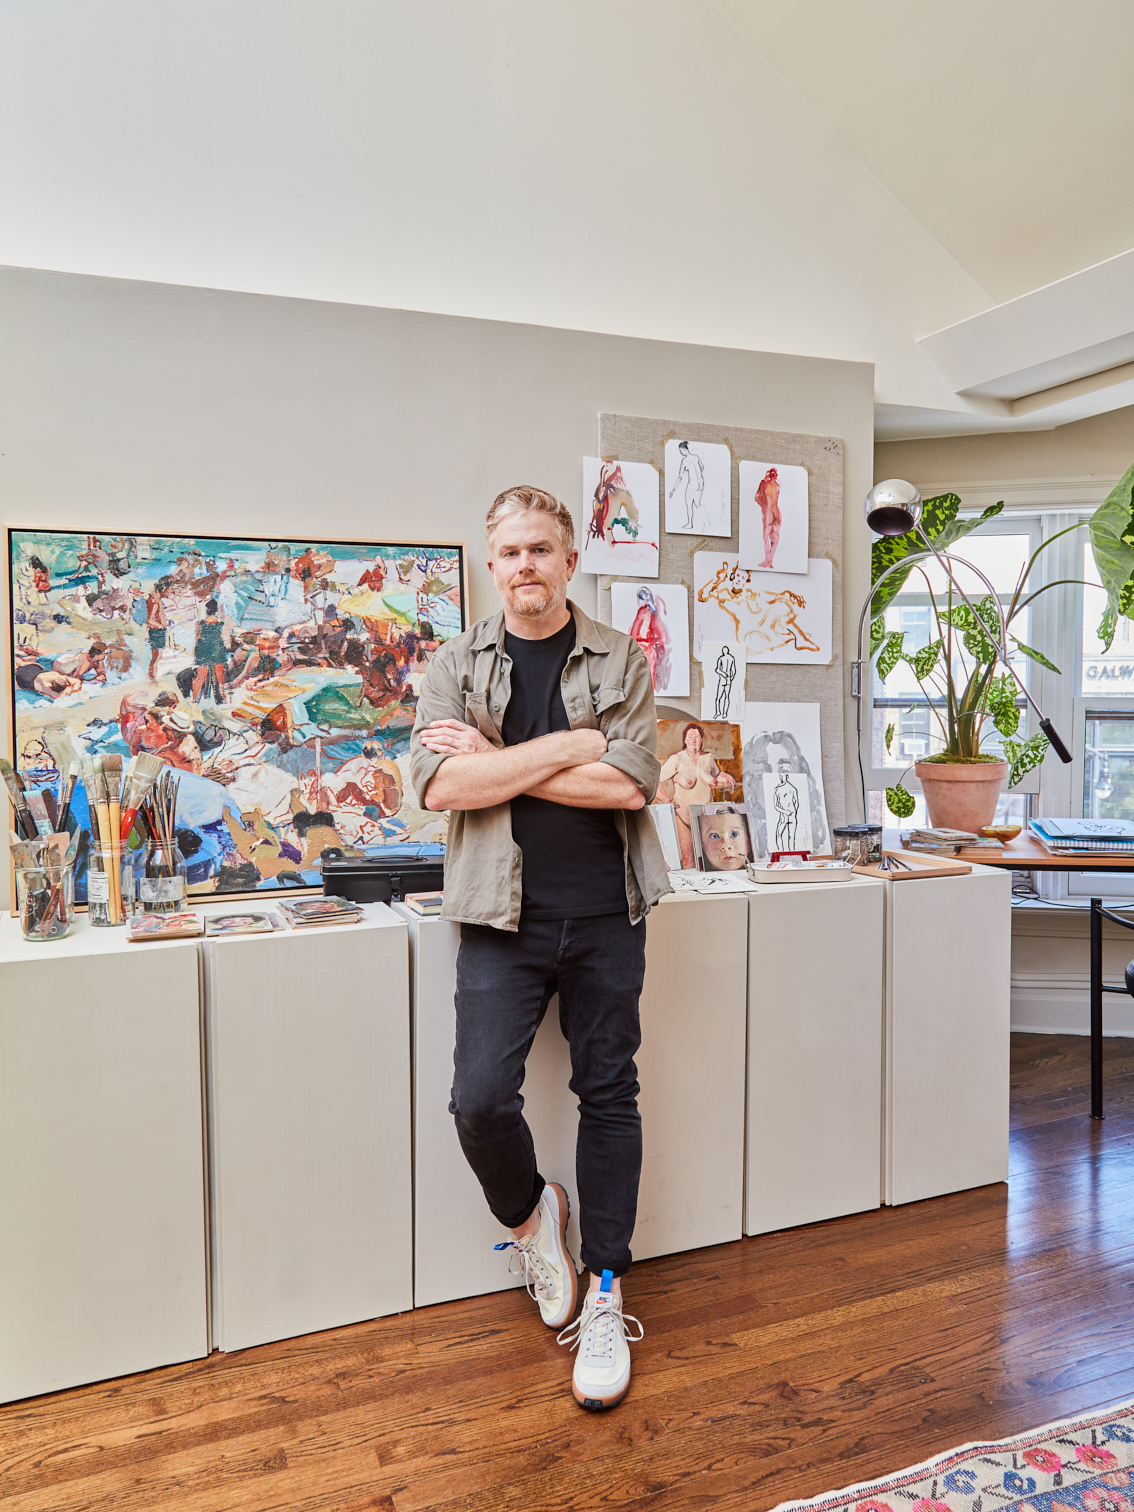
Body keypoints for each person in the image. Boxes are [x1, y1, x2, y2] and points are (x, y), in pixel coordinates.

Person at [409, 485, 669, 1412]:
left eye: (541, 550)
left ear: (569, 560)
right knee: (476, 1100)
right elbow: (440, 791)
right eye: (510, 551)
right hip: (497, 918)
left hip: (607, 912)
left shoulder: (620, 656)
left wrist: (498, 756)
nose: (525, 565)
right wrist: (570, 745)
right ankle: (530, 1216)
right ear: (494, 562)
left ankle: (604, 1289)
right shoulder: (454, 663)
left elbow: (629, 788)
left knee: (609, 1095)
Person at [657, 722, 736, 868]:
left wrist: (726, 776)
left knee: (709, 861)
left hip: (706, 820)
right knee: (688, 861)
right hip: (683, 818)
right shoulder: (677, 759)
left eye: (697, 737)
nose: (693, 740)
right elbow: (655, 778)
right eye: (690, 736)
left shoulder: (708, 759)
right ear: (685, 740)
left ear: (701, 740)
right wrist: (665, 799)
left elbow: (717, 774)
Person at [191, 599, 229, 703]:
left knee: (200, 677)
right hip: (216, 650)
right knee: (220, 677)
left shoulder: (200, 623)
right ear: (216, 610)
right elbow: (225, 638)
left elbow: (197, 637)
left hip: (203, 651)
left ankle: (194, 699)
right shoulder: (221, 623)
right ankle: (224, 698)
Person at [667, 440, 706, 530]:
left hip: (695, 483)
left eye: (681, 450)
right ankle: (691, 523)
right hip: (694, 483)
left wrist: (699, 481)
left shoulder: (689, 460)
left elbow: (681, 476)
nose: (680, 452)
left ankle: (699, 523)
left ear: (685, 449)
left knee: (695, 504)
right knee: (692, 504)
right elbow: (701, 468)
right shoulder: (687, 460)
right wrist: (674, 489)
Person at [756, 466, 781, 569]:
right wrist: (765, 506)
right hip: (769, 513)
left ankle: (768, 560)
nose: (772, 476)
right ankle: (768, 560)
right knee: (767, 537)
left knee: (773, 538)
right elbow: (757, 497)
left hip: (774, 513)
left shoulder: (776, 485)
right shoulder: (765, 483)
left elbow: (758, 497)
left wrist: (766, 507)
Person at [146, 580, 169, 680]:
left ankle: (152, 674)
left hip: (155, 630)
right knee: (157, 655)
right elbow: (150, 619)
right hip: (157, 630)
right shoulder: (155, 603)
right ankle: (153, 675)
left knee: (155, 655)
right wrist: (160, 625)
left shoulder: (154, 601)